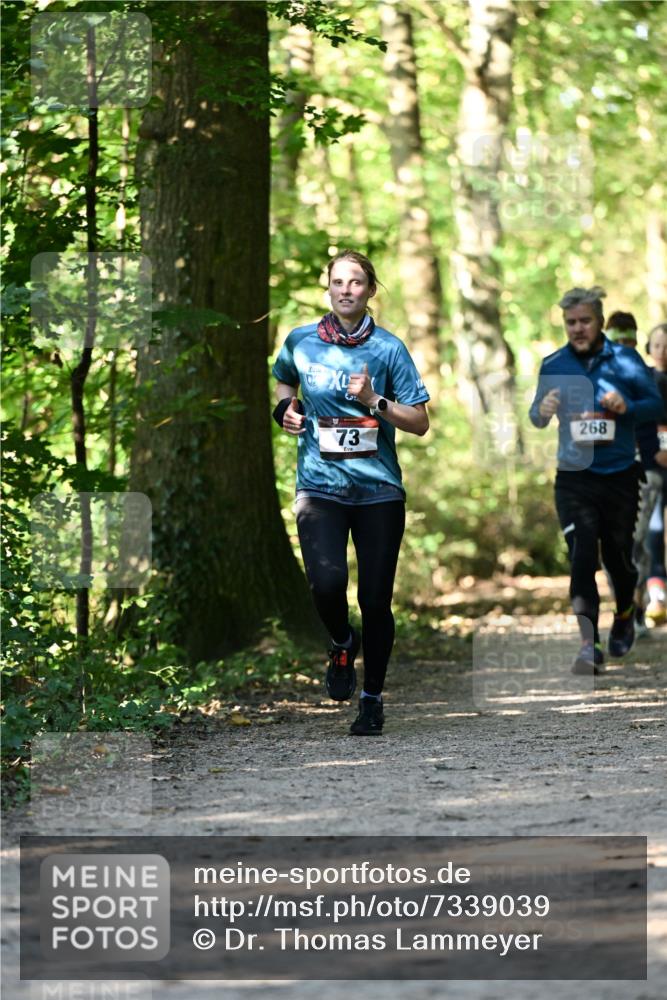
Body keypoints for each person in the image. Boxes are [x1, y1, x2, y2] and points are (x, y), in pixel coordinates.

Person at [272, 250, 430, 734]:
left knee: (376, 601)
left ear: (370, 290)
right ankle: (342, 642)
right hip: (319, 487)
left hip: (378, 490)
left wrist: (373, 400)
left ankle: (372, 699)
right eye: (338, 282)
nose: (346, 290)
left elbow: (419, 422)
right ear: (328, 288)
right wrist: (284, 412)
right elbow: (283, 382)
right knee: (325, 583)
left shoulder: (389, 349)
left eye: (356, 282)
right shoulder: (301, 342)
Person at [529, 287, 663, 674]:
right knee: (582, 556)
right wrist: (544, 408)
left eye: (585, 321)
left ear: (600, 321)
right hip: (574, 478)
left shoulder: (625, 359)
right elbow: (536, 416)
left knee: (619, 558)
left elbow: (655, 405)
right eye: (571, 322)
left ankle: (625, 612)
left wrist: (627, 406)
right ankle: (589, 645)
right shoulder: (554, 363)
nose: (578, 328)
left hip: (620, 476)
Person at [604, 311, 664, 636]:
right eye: (618, 339)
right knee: (611, 547)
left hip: (644, 471)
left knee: (636, 542)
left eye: (629, 339)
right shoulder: (595, 373)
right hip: (603, 473)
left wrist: (656, 452)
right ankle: (626, 606)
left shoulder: (645, 376)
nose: (624, 345)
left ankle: (633, 612)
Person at [644, 322, 667, 624]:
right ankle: (656, 595)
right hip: (652, 467)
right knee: (654, 528)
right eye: (657, 344)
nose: (663, 351)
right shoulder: (642, 379)